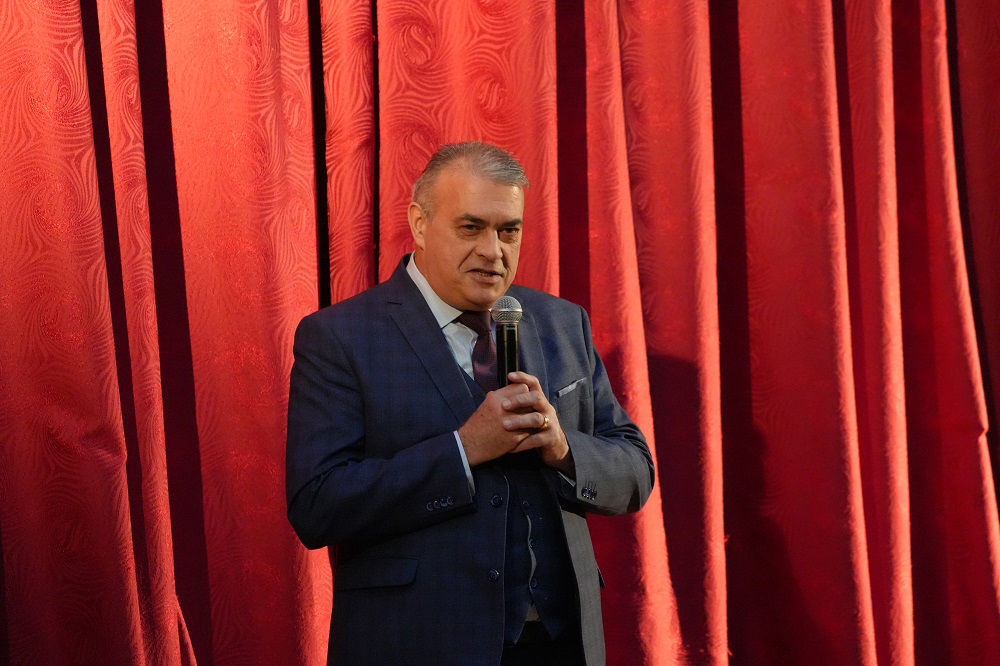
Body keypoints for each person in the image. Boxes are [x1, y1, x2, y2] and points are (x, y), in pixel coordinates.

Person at [286, 142, 653, 665]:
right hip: (417, 646)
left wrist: (562, 448)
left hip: (559, 646)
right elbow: (317, 506)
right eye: (471, 227)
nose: (493, 251)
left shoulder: (563, 323)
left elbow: (635, 470)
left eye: (509, 231)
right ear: (419, 224)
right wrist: (464, 449)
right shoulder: (340, 337)